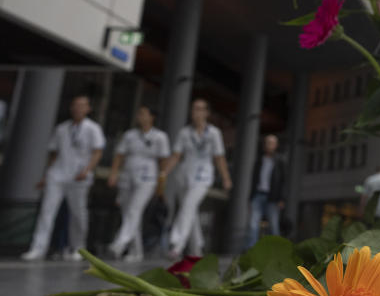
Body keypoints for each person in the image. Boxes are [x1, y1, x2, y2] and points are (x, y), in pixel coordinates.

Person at [21, 95, 105, 261]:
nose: (77, 108)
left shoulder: (93, 128)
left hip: (79, 176)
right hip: (58, 174)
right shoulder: (62, 128)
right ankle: (38, 248)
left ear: (88, 109)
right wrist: (46, 175)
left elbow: (97, 152)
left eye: (82, 105)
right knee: (47, 211)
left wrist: (87, 170)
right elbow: (54, 153)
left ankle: (78, 248)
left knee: (78, 214)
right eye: (75, 105)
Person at [160, 99, 232, 259]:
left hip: (203, 177)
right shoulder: (184, 132)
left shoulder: (214, 133)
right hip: (184, 176)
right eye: (194, 109)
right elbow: (176, 156)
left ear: (207, 112)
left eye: (200, 109)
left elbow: (219, 157)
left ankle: (176, 244)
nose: (196, 112)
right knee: (190, 211)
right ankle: (197, 248)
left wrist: (226, 178)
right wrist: (163, 172)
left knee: (187, 206)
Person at [106, 106, 170, 262]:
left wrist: (161, 184)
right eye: (138, 113)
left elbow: (163, 162)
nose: (139, 116)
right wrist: (114, 174)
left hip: (148, 178)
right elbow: (119, 156)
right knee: (128, 213)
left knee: (134, 211)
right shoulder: (129, 135)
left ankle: (118, 244)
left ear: (152, 117)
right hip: (127, 176)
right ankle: (136, 251)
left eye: (143, 114)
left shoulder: (160, 137)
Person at [246, 134, 286, 248]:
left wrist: (282, 198)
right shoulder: (259, 160)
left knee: (274, 226)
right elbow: (253, 180)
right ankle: (251, 251)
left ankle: (278, 251)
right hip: (258, 195)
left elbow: (283, 181)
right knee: (253, 224)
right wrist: (250, 197)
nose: (269, 145)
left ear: (276, 145)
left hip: (273, 197)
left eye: (272, 143)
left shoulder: (280, 161)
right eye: (267, 142)